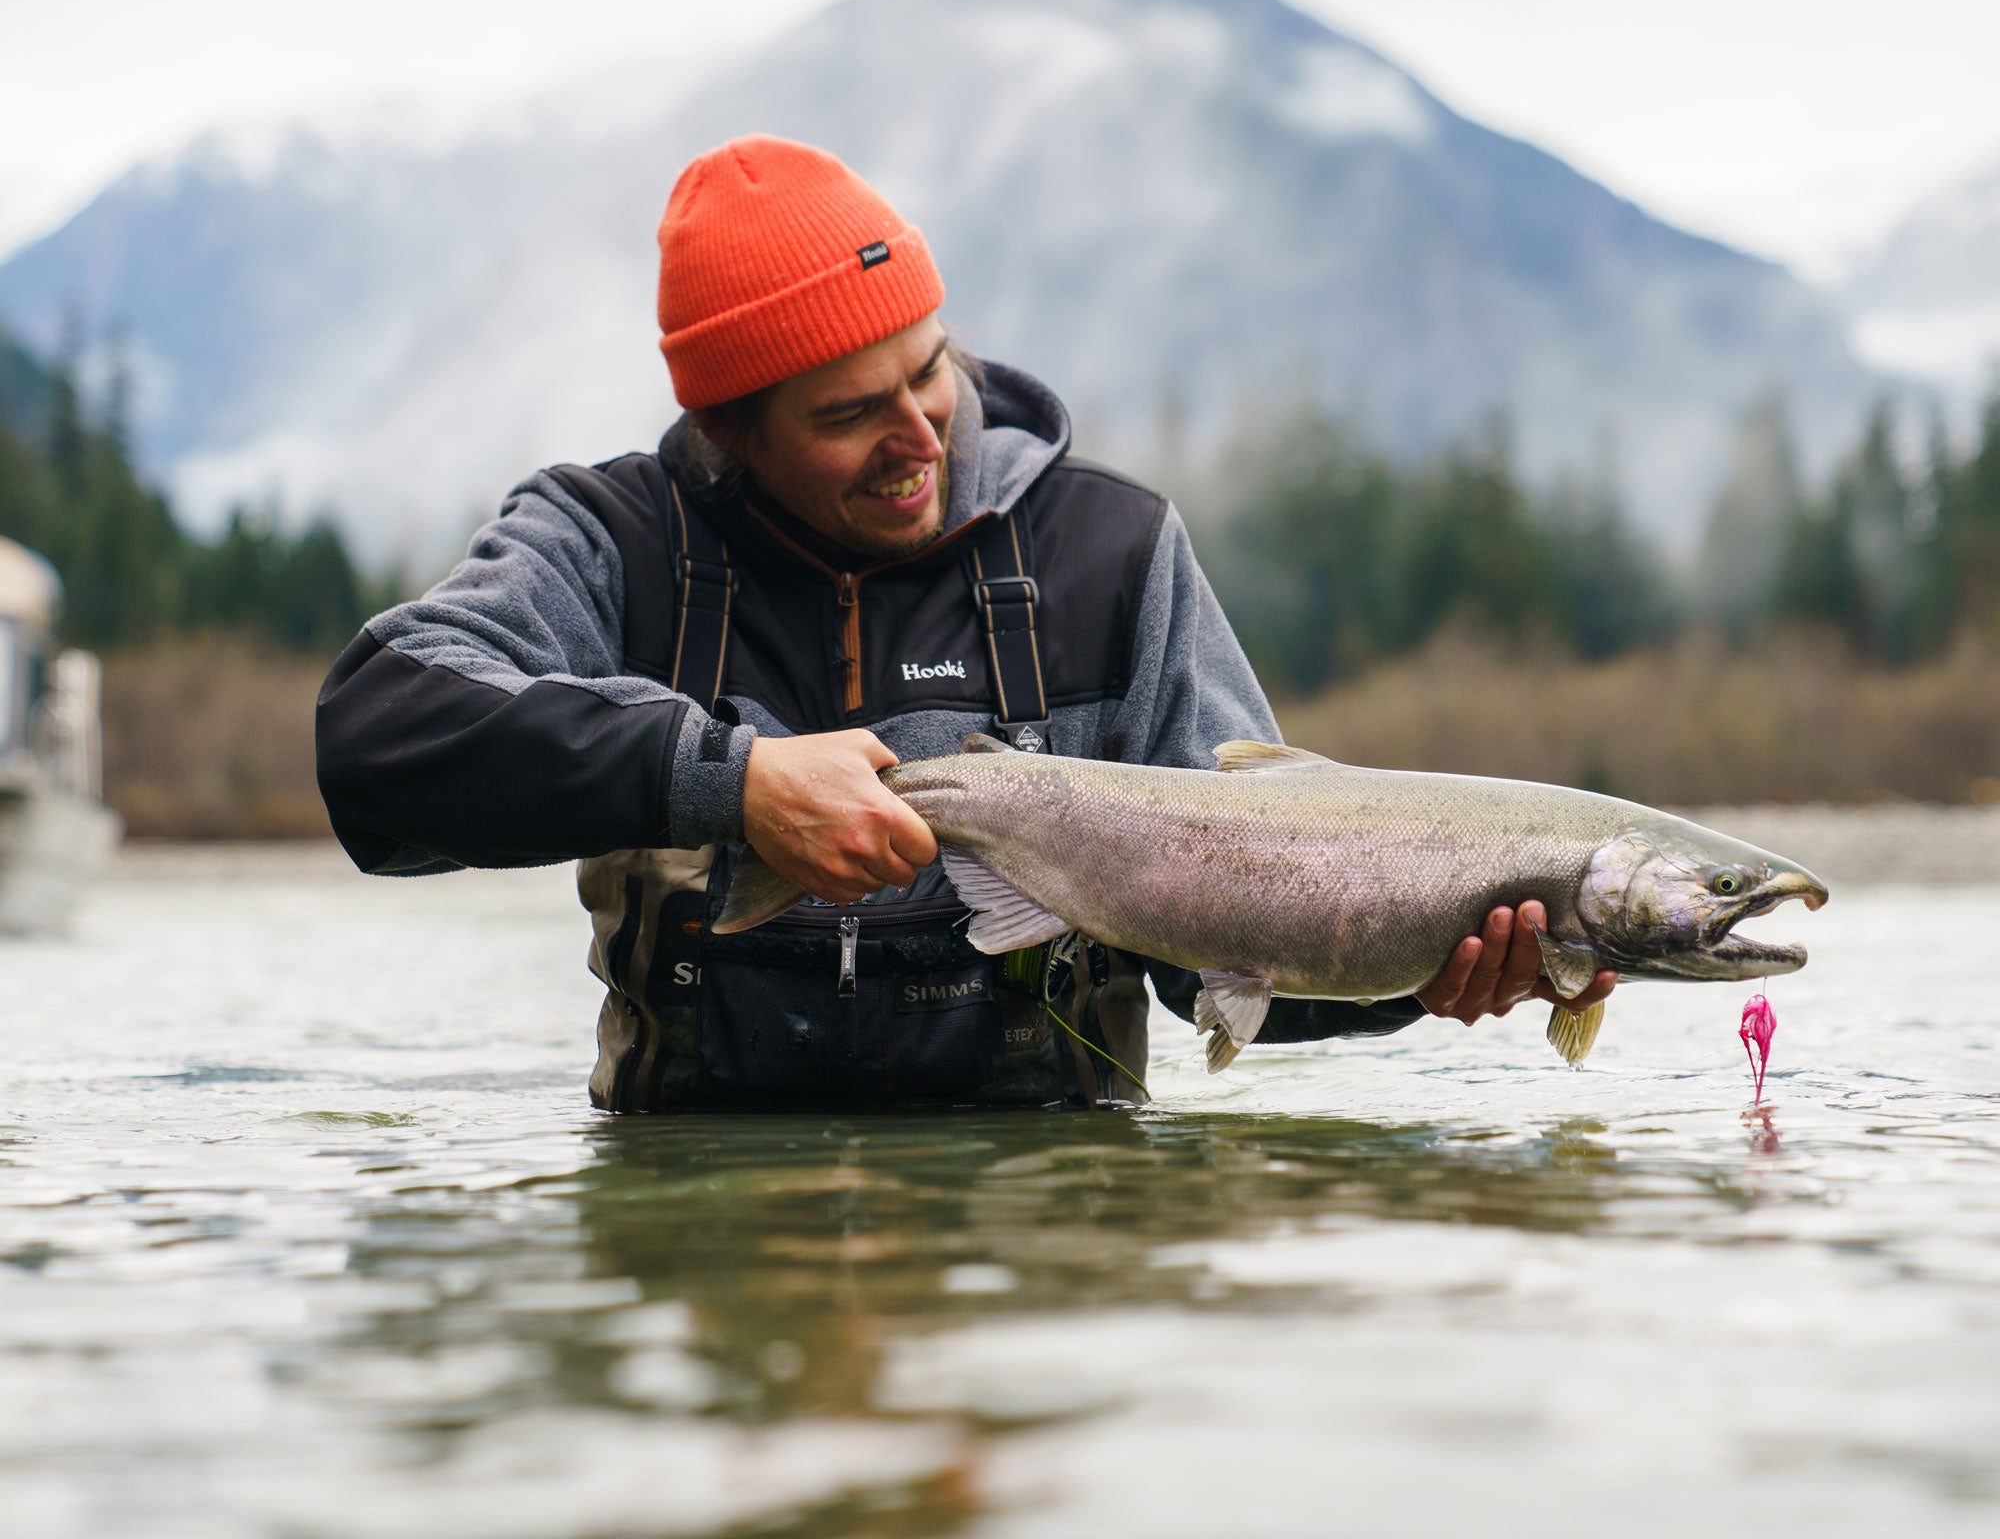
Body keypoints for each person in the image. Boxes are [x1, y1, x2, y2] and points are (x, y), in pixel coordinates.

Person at [316, 135, 1613, 1109]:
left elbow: (1217, 969)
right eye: (845, 413)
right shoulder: (611, 546)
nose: (920, 433)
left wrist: (1419, 977)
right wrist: (731, 783)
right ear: (731, 430)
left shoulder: (1114, 554)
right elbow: (380, 736)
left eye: (930, 368)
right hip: (702, 1232)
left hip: (1051, 1256)